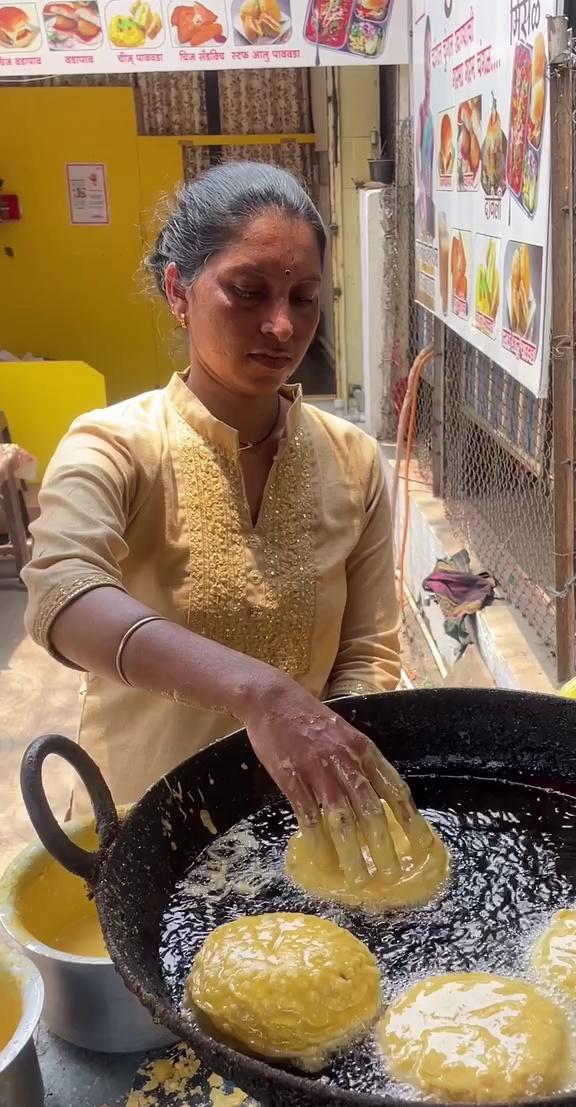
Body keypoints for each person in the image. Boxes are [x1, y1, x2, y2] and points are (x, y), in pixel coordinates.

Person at [23, 161, 431, 884]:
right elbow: (63, 596)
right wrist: (260, 690)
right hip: (154, 830)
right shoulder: (114, 445)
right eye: (248, 292)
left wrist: (328, 764)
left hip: (305, 833)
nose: (282, 325)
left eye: (304, 299)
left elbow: (369, 648)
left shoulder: (353, 461)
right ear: (179, 292)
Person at [415, 16, 435, 244]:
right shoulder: (422, 114)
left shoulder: (431, 117)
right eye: (426, 57)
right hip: (425, 212)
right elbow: (421, 175)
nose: (429, 67)